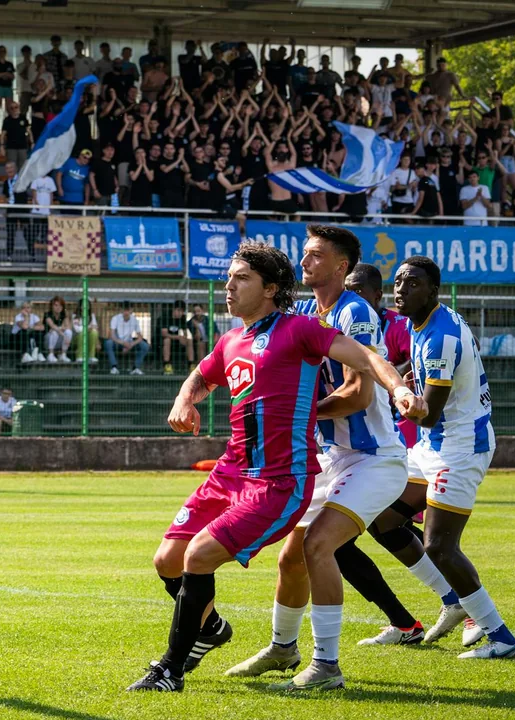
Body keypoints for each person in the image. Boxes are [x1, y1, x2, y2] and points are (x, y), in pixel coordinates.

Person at [127, 242, 423, 692]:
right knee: (167, 560)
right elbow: (202, 376)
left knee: (199, 556)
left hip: (278, 481)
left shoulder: (300, 329)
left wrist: (399, 390)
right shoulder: (231, 340)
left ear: (270, 288)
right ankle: (211, 630)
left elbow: (365, 357)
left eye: (241, 278)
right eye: (229, 277)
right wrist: (184, 400)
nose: (228, 285)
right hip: (230, 471)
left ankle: (170, 669)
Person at [226, 226, 427, 691]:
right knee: (290, 560)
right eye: (305, 253)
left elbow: (358, 394)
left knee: (319, 546)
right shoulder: (302, 314)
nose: (306, 260)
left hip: (373, 457)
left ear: (342, 266)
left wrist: (296, 413)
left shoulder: (354, 310)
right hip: (334, 456)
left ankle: (327, 667)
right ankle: (282, 648)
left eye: (316, 254)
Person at [370, 256, 515, 660]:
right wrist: (405, 378)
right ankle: (453, 601)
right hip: (433, 445)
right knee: (383, 520)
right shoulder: (424, 322)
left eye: (413, 283)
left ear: (433, 291)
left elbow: (428, 412)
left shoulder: (440, 336)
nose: (401, 289)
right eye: (398, 281)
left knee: (440, 547)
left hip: (459, 446)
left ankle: (500, 636)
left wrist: (396, 397)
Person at [105, 301, 149, 375]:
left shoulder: (134, 320)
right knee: (108, 343)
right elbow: (112, 336)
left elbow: (140, 337)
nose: (126, 312)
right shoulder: (115, 318)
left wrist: (131, 344)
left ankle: (136, 367)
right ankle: (114, 367)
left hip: (129, 342)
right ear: (121, 310)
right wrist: (123, 343)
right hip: (118, 342)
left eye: (128, 310)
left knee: (145, 346)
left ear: (131, 310)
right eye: (124, 310)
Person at [157, 300, 194, 374]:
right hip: (161, 342)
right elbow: (164, 334)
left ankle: (191, 365)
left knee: (189, 340)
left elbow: (185, 332)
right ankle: (167, 365)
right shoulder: (165, 317)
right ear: (174, 309)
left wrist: (184, 338)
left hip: (176, 342)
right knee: (167, 340)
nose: (180, 313)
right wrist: (178, 337)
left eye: (182, 311)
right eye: (178, 310)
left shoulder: (182, 318)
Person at [43, 296, 73, 363]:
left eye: (60, 305)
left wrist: (60, 329)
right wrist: (62, 330)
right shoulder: (47, 314)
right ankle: (50, 354)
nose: (58, 307)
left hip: (60, 339)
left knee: (69, 332)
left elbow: (68, 327)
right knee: (54, 332)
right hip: (48, 341)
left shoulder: (63, 315)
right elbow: (53, 326)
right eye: (56, 305)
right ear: (51, 306)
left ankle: (63, 354)